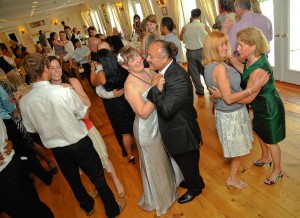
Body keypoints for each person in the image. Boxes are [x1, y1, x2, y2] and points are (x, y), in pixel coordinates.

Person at [20, 53, 125, 217]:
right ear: (45, 69)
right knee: (97, 175)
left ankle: (87, 206)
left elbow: (31, 129)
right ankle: (112, 208)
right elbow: (83, 112)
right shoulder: (62, 92)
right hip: (79, 143)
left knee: (73, 180)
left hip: (57, 149)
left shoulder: (24, 101)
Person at [212, 27, 285, 185]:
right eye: (238, 44)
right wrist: (231, 59)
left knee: (271, 140)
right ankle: (265, 157)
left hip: (268, 106)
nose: (238, 48)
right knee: (259, 130)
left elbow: (248, 97)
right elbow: (245, 71)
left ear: (253, 46)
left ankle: (277, 169)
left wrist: (225, 96)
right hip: (260, 104)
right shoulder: (251, 59)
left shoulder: (259, 70)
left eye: (241, 45)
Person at [48, 56, 125, 198]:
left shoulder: (72, 81)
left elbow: (87, 103)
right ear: (45, 70)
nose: (55, 71)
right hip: (69, 134)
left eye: (57, 66)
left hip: (85, 127)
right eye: (51, 68)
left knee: (102, 156)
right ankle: (99, 186)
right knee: (86, 165)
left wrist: (71, 91)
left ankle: (116, 180)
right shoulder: (47, 90)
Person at [118, 46, 183, 215]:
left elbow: (165, 85)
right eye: (132, 60)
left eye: (138, 56)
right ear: (125, 66)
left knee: (164, 158)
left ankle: (171, 187)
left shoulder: (148, 71)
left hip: (160, 121)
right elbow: (143, 113)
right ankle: (161, 200)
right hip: (147, 130)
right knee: (155, 165)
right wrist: (156, 89)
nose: (138, 60)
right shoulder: (130, 85)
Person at [202, 31, 269, 189]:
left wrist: (222, 95)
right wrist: (253, 88)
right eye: (221, 45)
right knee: (239, 150)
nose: (226, 47)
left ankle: (230, 161)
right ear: (212, 47)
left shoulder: (209, 64)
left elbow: (224, 94)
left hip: (224, 111)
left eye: (226, 43)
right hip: (231, 113)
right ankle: (231, 178)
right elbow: (229, 98)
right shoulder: (220, 68)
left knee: (234, 145)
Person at [146, 40, 205, 204]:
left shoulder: (176, 77)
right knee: (186, 162)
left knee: (187, 159)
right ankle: (195, 180)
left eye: (151, 56)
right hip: (178, 126)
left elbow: (166, 110)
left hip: (181, 129)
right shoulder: (166, 71)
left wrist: (153, 89)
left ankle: (195, 188)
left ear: (164, 58)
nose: (147, 59)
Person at [0, 118, 54, 218]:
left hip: (10, 167)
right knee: (30, 205)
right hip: (11, 166)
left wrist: (8, 141)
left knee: (29, 205)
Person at [90, 49, 135, 163]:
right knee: (134, 124)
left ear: (100, 62)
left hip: (115, 103)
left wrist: (92, 69)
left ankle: (130, 155)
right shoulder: (121, 66)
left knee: (124, 132)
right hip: (127, 98)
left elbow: (93, 83)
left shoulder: (101, 74)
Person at [180, 8, 208, 95]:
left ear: (191, 16)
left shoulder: (185, 27)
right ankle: (211, 89)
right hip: (202, 51)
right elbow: (209, 39)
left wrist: (181, 33)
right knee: (206, 70)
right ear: (200, 16)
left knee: (194, 72)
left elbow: (181, 39)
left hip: (190, 52)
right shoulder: (204, 26)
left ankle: (200, 90)